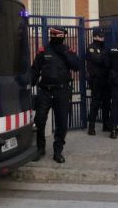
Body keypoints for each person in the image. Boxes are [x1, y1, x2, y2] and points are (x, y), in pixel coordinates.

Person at [31, 26, 80, 163]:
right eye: (55, 36)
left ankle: (58, 151)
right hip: (45, 91)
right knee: (39, 121)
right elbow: (35, 70)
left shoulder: (67, 50)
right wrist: (29, 84)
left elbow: (76, 66)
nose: (57, 38)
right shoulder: (43, 50)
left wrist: (65, 54)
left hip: (62, 91)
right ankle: (40, 149)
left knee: (61, 123)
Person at [85, 29, 110, 135]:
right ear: (94, 37)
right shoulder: (91, 48)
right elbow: (98, 60)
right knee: (95, 103)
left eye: (103, 36)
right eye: (100, 36)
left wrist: (104, 58)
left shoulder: (104, 47)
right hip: (96, 79)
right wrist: (105, 57)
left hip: (106, 78)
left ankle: (106, 125)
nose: (102, 38)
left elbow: (109, 63)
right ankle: (91, 127)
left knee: (106, 103)